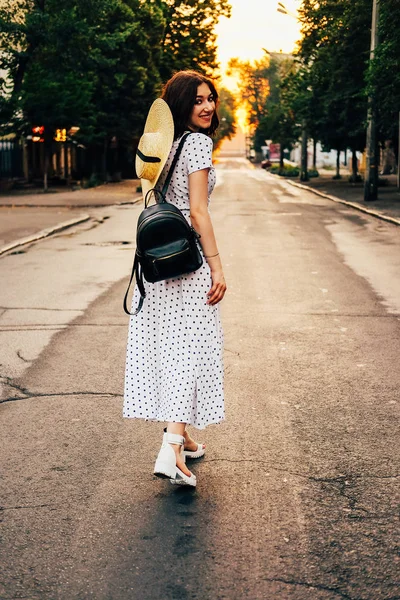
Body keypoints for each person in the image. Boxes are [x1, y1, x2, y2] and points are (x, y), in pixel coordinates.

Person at [124, 70, 226, 487]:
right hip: (189, 259)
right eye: (198, 100)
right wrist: (217, 266)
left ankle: (183, 440)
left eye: (211, 99)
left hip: (158, 263)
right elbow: (199, 211)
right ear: (182, 105)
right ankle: (170, 448)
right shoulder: (198, 144)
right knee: (191, 352)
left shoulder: (162, 148)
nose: (207, 107)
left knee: (172, 350)